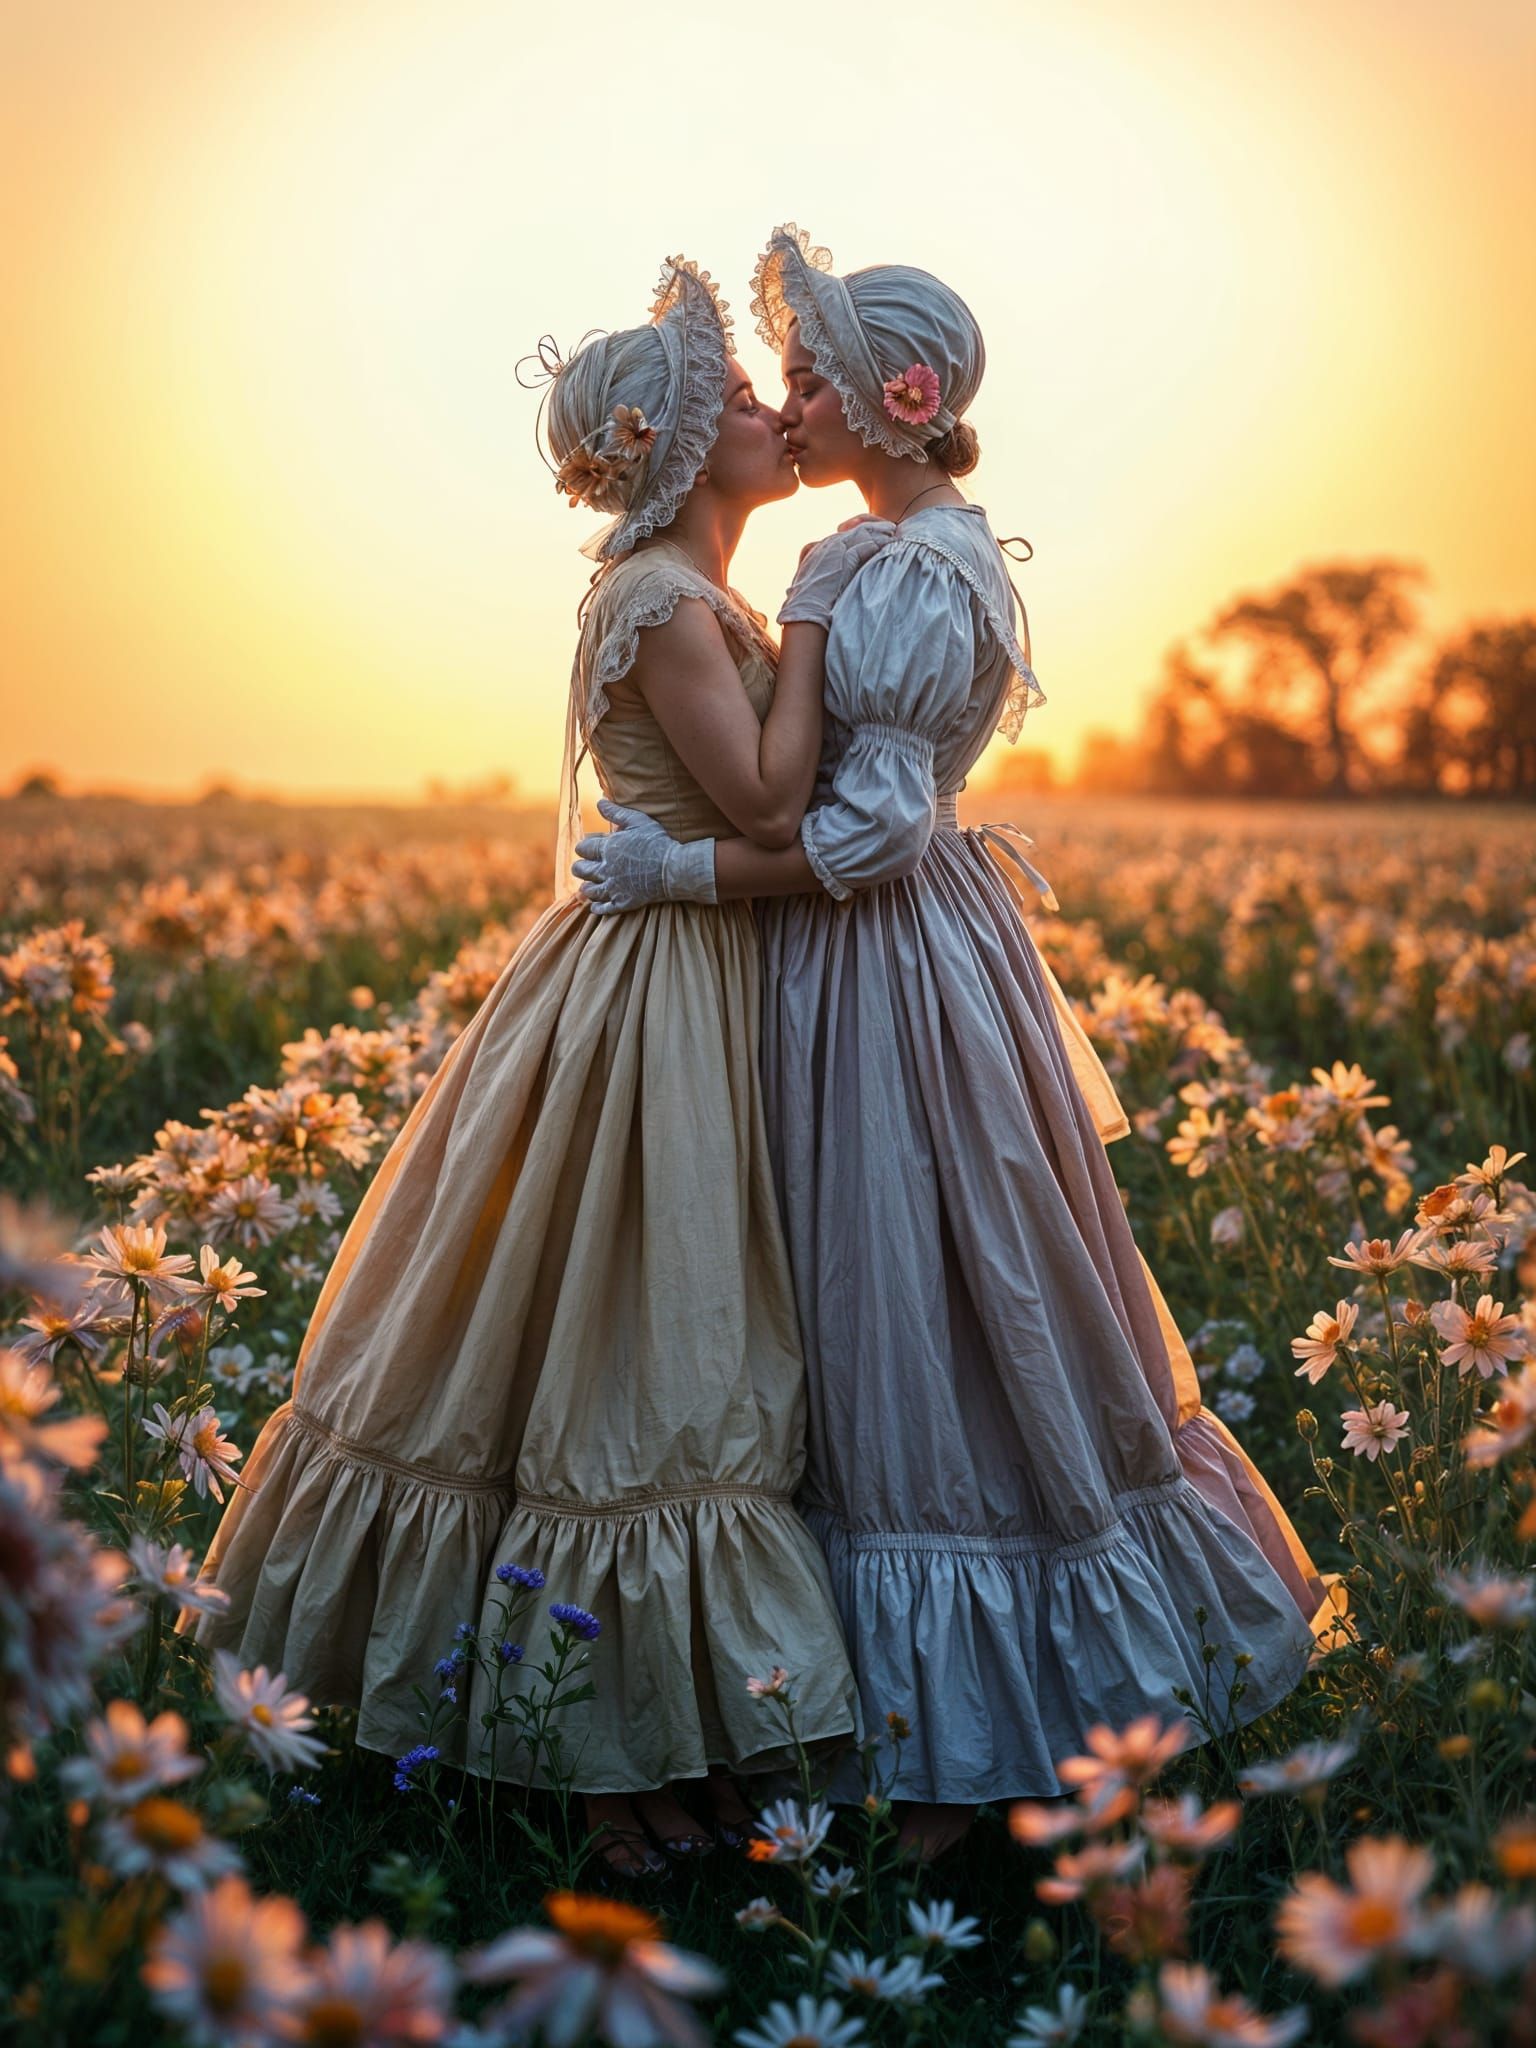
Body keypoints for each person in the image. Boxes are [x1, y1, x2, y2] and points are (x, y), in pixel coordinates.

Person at [574, 226, 1326, 1862]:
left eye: (813, 380)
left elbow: (871, 839)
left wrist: (679, 869)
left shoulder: (902, 571)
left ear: (891, 404)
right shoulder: (882, 557)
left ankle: (963, 1756)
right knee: (894, 1309)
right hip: (867, 968)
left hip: (885, 968)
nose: (789, 403)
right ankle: (923, 1727)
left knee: (925, 1299)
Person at [177, 255, 879, 1877]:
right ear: (687, 446)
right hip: (649, 988)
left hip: (693, 969)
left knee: (671, 1337)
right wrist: (830, 624)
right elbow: (770, 811)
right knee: (635, 1338)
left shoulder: (687, 594)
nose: (776, 414)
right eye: (743, 402)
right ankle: (593, 1764)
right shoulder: (658, 602)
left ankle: (664, 1737)